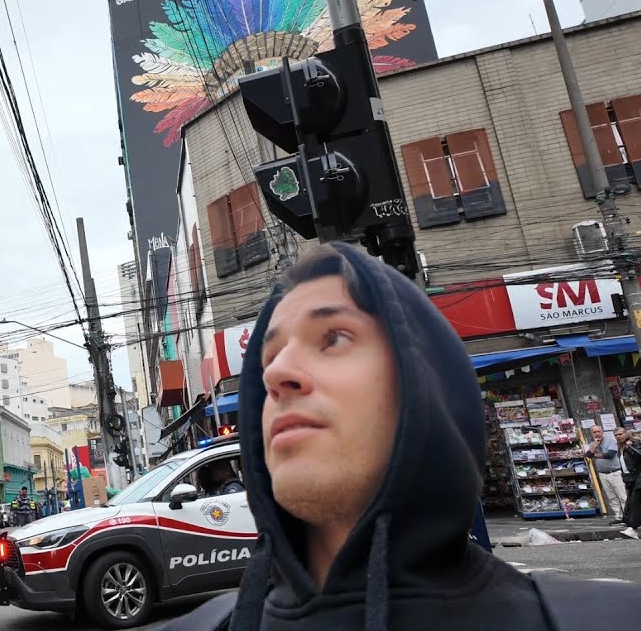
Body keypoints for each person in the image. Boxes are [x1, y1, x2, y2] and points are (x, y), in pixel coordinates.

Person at [162, 242, 641, 631]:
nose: (278, 372)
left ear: (425, 385)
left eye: (333, 338)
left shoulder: (608, 618)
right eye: (267, 359)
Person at [585, 425, 627, 523]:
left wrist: (595, 454)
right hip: (603, 474)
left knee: (622, 496)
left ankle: (627, 516)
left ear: (602, 431)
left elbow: (610, 454)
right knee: (611, 497)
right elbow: (588, 455)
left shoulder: (610, 441)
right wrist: (595, 445)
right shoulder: (592, 444)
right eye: (594, 432)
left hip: (614, 472)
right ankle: (618, 517)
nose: (597, 434)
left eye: (598, 431)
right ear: (592, 433)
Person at [616, 427, 641, 539]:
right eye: (616, 435)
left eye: (620, 434)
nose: (618, 436)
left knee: (635, 502)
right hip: (633, 480)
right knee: (633, 502)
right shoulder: (622, 449)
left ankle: (633, 528)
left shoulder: (632, 445)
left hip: (638, 480)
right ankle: (631, 527)